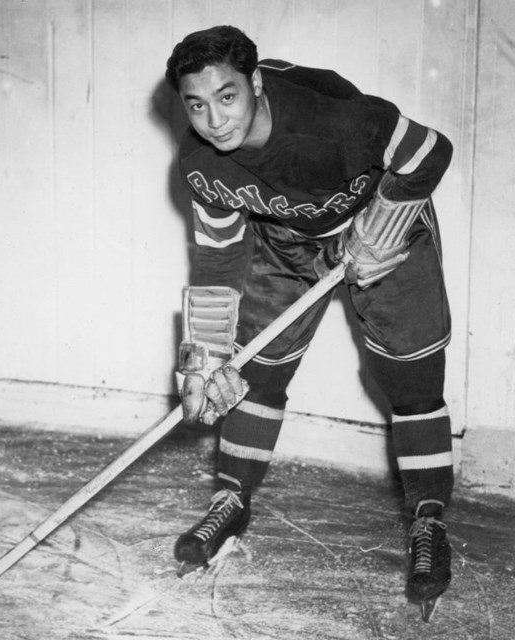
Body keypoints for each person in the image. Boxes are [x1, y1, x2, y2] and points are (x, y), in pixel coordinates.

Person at [165, 25, 455, 621]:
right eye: (197, 104)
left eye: (227, 97)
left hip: (383, 231)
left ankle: (428, 521)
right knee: (253, 370)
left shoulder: (333, 122)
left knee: (412, 382)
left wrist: (388, 221)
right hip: (287, 243)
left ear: (257, 83)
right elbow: (218, 258)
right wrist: (204, 357)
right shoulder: (200, 164)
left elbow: (429, 150)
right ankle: (231, 498)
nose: (215, 120)